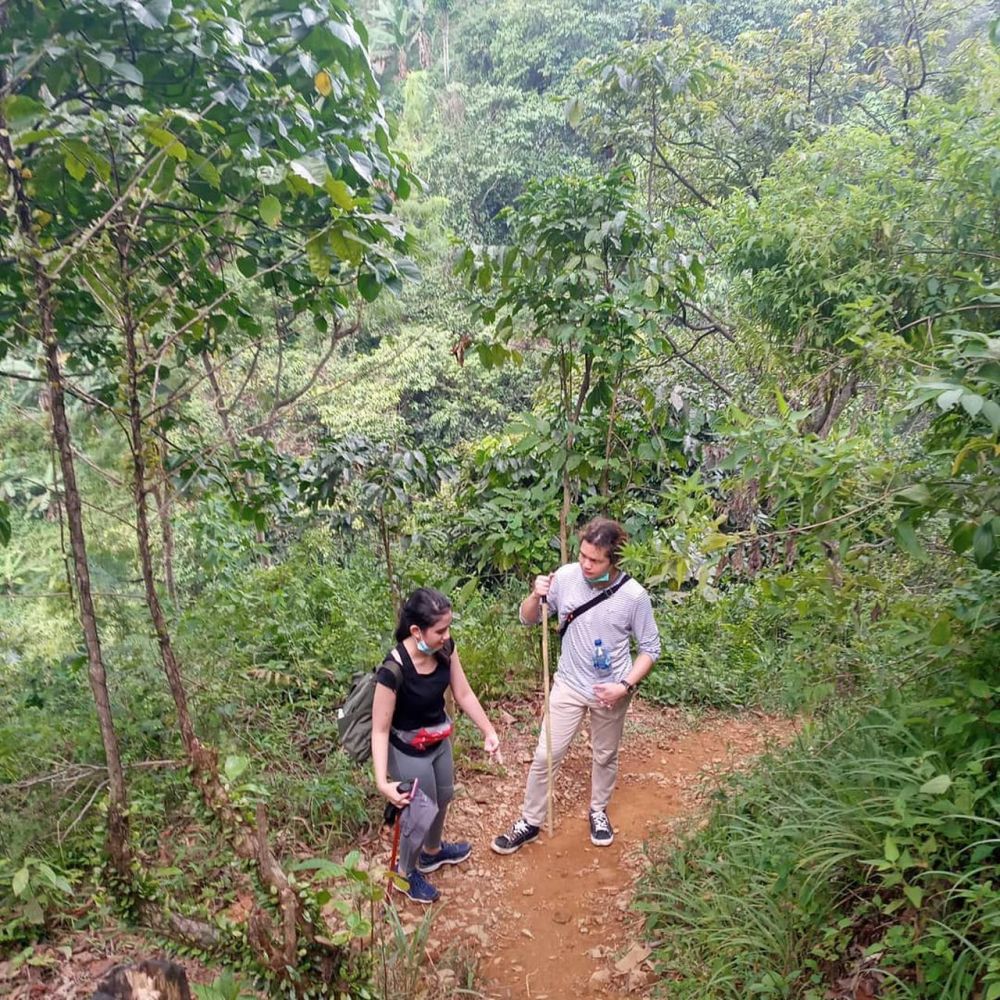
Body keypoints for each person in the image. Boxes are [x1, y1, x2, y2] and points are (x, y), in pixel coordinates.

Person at [491, 517, 660, 854]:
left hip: (611, 690)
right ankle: (530, 820)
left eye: (595, 560)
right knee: (545, 755)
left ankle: (598, 810)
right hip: (568, 684)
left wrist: (624, 686)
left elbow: (651, 649)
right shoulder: (565, 577)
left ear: (614, 560)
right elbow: (528, 618)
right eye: (582, 555)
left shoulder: (634, 596)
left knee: (604, 754)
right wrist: (535, 594)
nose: (585, 564)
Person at [372, 587, 502, 903]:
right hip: (407, 749)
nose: (447, 635)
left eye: (448, 628)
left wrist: (488, 730)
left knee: (443, 796)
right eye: (440, 630)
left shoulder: (445, 650)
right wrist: (382, 782)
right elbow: (379, 729)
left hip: (438, 741)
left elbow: (464, 693)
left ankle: (432, 852)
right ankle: (407, 871)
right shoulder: (393, 670)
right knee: (420, 811)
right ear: (416, 630)